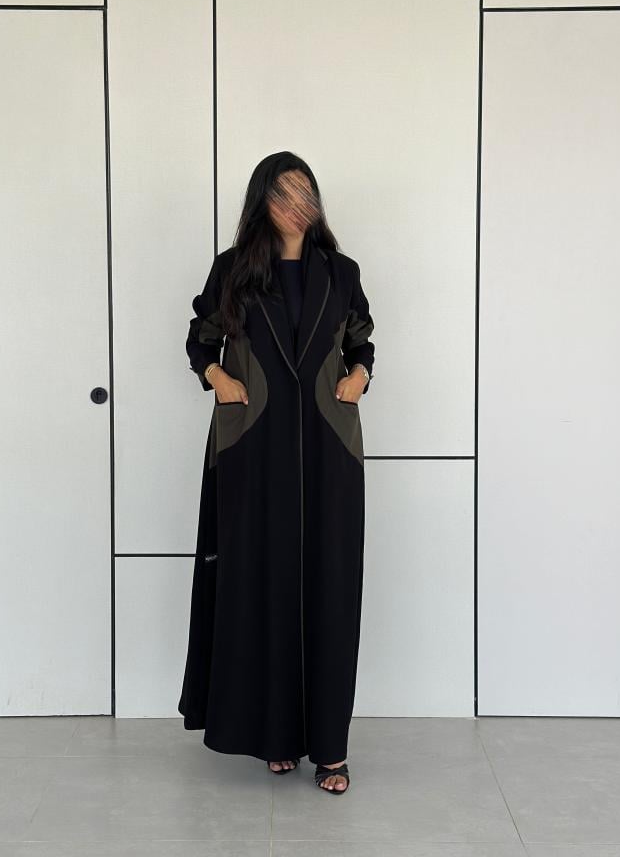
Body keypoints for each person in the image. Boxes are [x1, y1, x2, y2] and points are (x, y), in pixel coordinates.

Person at [178, 150, 375, 795]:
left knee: (329, 586)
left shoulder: (340, 272)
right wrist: (219, 378)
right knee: (260, 584)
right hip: (252, 444)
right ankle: (275, 736)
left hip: (328, 446)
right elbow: (200, 338)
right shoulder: (233, 270)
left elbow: (362, 341)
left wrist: (359, 376)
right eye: (283, 193)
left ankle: (331, 749)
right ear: (261, 200)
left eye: (304, 192)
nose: (296, 205)